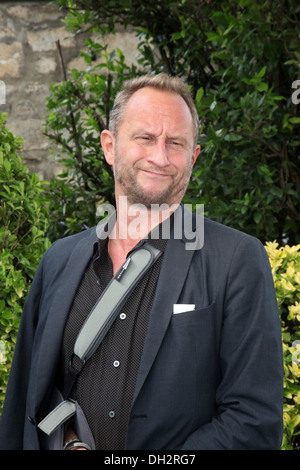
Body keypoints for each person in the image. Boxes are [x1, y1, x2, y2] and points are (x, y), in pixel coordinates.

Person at [0, 73, 283, 450]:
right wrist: (67, 440)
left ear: (193, 157)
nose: (160, 156)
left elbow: (254, 421)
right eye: (145, 138)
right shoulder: (59, 261)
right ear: (109, 146)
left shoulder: (236, 259)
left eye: (176, 143)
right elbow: (28, 398)